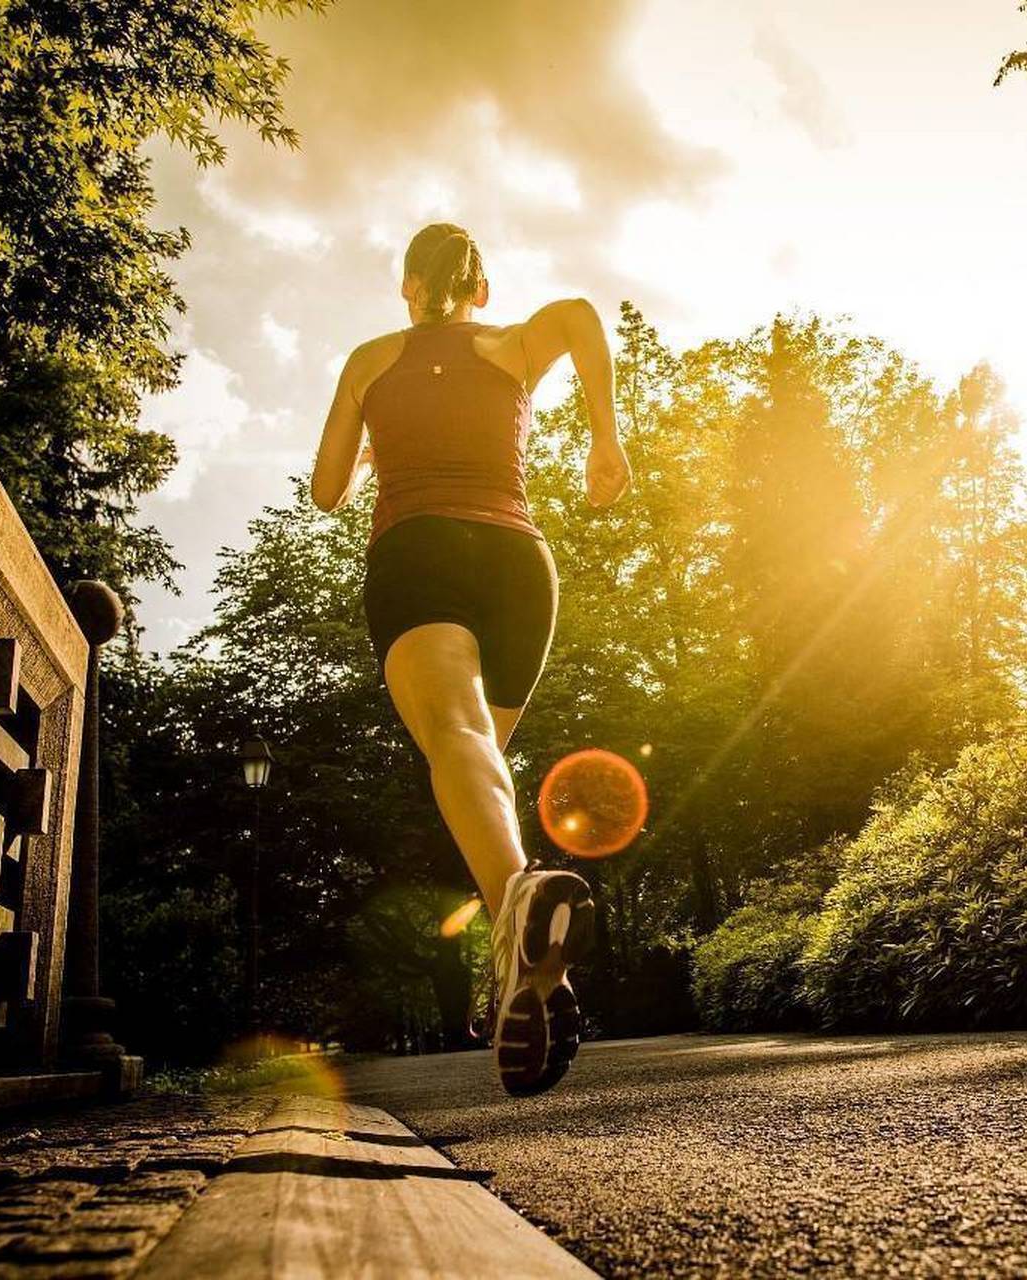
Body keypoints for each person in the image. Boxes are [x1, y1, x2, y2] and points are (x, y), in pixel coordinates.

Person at [309, 222, 631, 1095]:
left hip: (419, 551)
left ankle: (517, 904)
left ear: (407, 287)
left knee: (455, 738)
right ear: (479, 288)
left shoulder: (370, 359)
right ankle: (519, 968)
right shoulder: (510, 345)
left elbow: (327, 491)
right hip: (519, 565)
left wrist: (371, 450)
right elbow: (578, 312)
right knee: (478, 760)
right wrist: (605, 437)